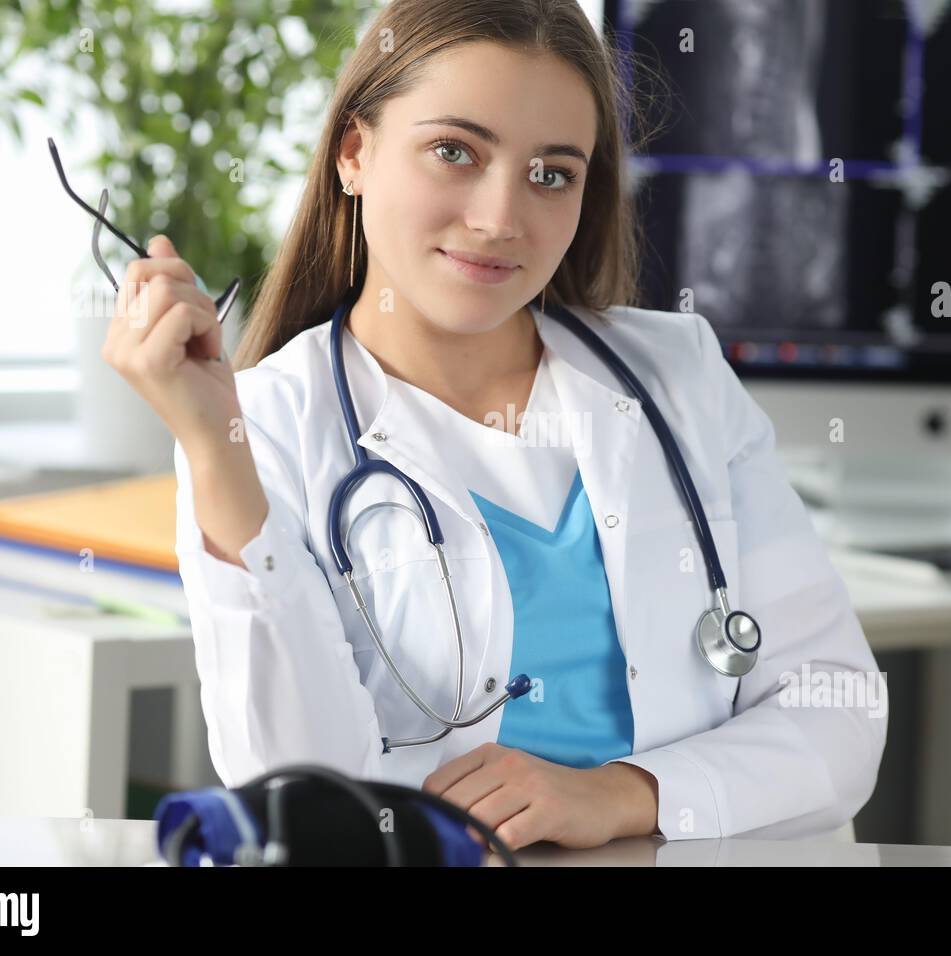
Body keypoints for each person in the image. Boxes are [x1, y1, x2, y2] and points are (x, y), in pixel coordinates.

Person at [103, 0, 886, 850]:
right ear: (354, 153)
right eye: (454, 152)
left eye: (552, 173)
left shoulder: (678, 374)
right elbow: (303, 799)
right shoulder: (264, 427)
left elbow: (836, 714)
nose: (500, 218)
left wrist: (623, 794)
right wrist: (216, 448)